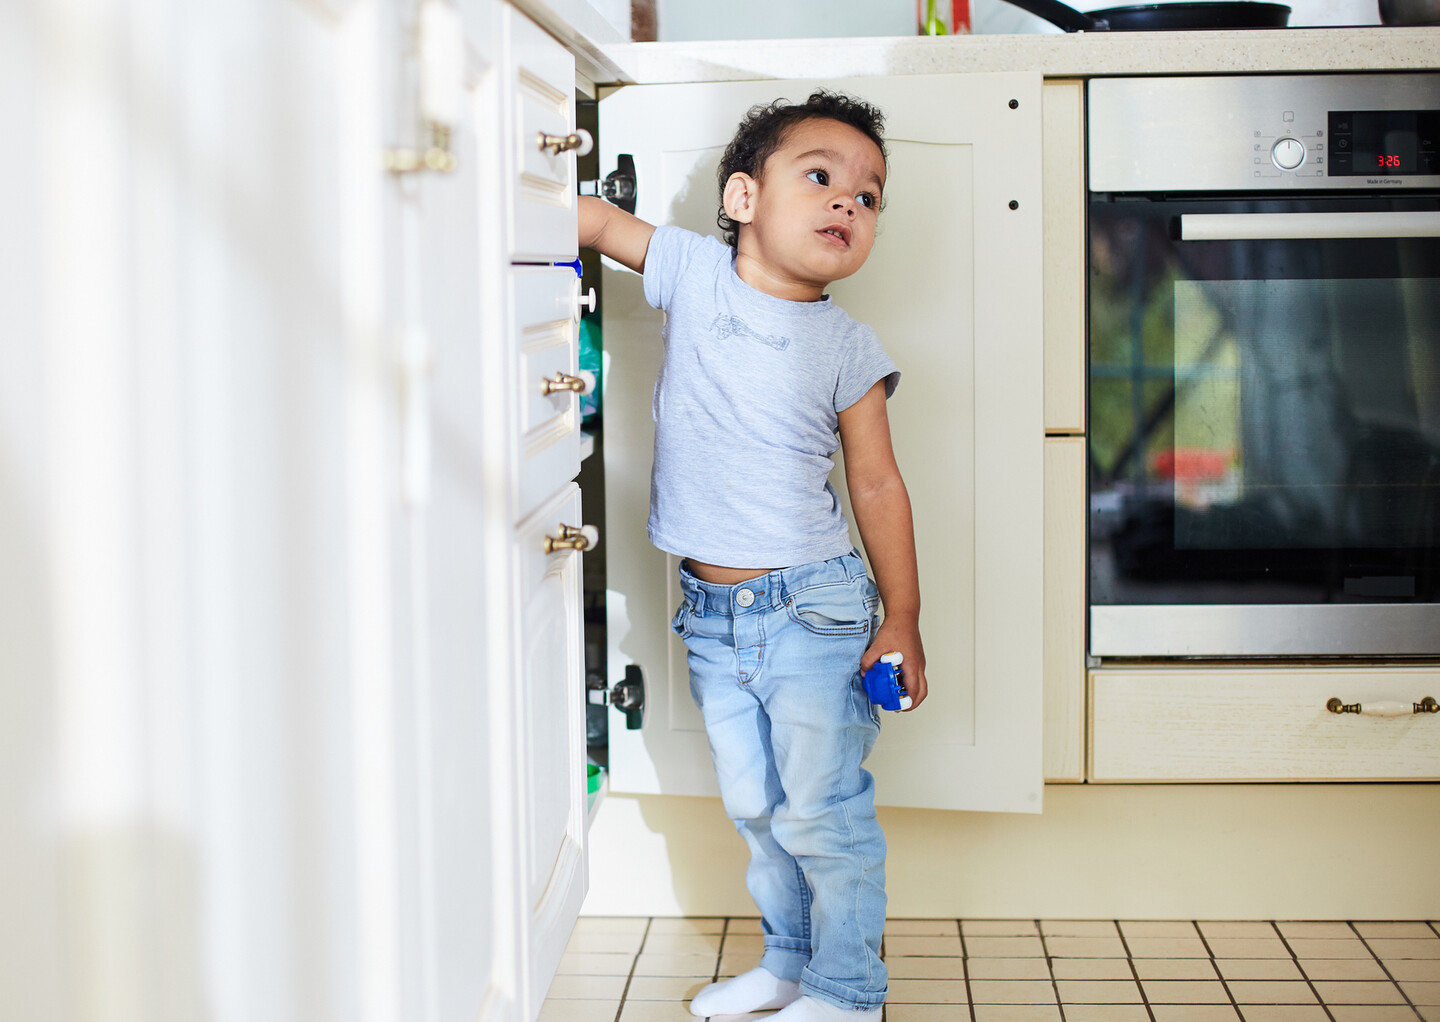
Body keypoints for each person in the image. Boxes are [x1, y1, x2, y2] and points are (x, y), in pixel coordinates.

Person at [579, 89, 927, 1022]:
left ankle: (851, 993)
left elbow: (879, 488)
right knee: (759, 810)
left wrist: (902, 618)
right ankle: (789, 965)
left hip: (814, 610)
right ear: (741, 199)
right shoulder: (692, 272)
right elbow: (594, 220)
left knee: (824, 815)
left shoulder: (849, 348)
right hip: (712, 616)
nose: (848, 203)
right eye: (821, 177)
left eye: (870, 195)